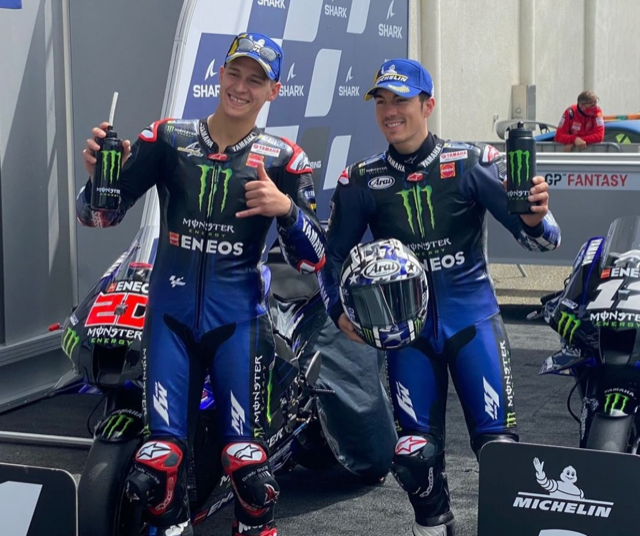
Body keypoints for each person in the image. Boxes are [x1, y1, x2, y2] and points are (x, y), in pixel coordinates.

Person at [77, 32, 326, 536]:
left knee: (250, 470)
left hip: (239, 323)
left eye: (255, 80)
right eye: (235, 73)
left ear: (273, 91)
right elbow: (100, 216)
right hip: (168, 319)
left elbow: (314, 258)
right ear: (220, 73)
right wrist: (98, 177)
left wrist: (287, 210)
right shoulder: (167, 139)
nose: (241, 87)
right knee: (156, 465)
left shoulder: (285, 159)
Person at [318, 58, 561, 536]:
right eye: (382, 101)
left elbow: (543, 240)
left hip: (473, 322)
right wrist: (338, 310)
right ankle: (433, 526)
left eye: (401, 100)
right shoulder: (360, 180)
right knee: (415, 455)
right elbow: (331, 259)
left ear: (427, 105)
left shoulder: (471, 162)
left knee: (499, 453)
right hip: (405, 335)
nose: (390, 111)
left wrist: (536, 217)